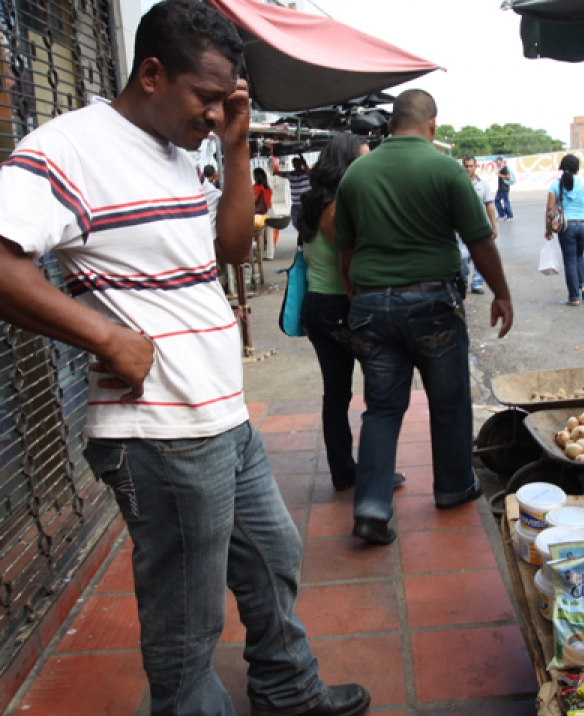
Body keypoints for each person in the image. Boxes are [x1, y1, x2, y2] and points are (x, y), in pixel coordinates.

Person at [0, 2, 369, 715]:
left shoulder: (179, 149)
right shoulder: (69, 148)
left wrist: (232, 147)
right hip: (159, 437)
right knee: (186, 625)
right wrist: (106, 338)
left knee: (273, 558)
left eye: (225, 100)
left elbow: (229, 249)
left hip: (219, 418)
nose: (212, 113)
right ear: (151, 72)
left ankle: (288, 692)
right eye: (205, 97)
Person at [333, 89, 513, 546]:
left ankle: (372, 506)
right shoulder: (446, 168)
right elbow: (481, 241)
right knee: (449, 401)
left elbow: (345, 248)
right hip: (433, 306)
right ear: (431, 125)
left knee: (383, 408)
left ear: (392, 124)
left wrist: (357, 292)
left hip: (371, 308)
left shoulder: (357, 173)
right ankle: (453, 487)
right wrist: (501, 294)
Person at [298, 135, 406, 494]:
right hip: (338, 308)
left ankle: (346, 472)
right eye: (362, 160)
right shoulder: (333, 209)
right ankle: (368, 474)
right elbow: (356, 259)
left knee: (338, 394)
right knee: (381, 393)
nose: (368, 166)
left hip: (320, 307)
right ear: (346, 165)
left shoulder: (318, 203)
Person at [544, 154, 584, 306]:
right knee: (579, 256)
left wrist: (548, 228)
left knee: (570, 260)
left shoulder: (555, 185)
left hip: (566, 227)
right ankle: (583, 285)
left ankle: (574, 297)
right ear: (577, 168)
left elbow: (550, 208)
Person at [458, 155, 498, 295]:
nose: (469, 169)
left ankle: (477, 284)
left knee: (481, 257)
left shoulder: (483, 185)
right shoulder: (458, 183)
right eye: (466, 166)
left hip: (481, 227)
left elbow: (489, 205)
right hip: (462, 227)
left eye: (471, 166)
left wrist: (494, 225)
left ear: (476, 167)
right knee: (463, 257)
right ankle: (462, 281)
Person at [277, 155, 311, 231]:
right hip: (295, 204)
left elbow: (308, 170)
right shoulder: (291, 174)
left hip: (305, 203)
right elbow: (280, 174)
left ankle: (305, 235)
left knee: (308, 222)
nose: (295, 166)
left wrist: (302, 157)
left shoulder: (307, 173)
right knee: (295, 222)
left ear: (300, 164)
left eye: (297, 163)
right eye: (294, 164)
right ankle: (302, 232)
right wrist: (274, 167)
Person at [253, 166, 278, 259]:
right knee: (270, 234)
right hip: (270, 210)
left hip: (261, 213)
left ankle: (261, 254)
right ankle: (270, 255)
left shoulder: (256, 187)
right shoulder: (268, 188)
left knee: (260, 234)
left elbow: (254, 199)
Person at [494, 155, 514, 221]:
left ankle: (510, 216)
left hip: (504, 188)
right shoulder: (500, 169)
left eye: (497, 161)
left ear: (501, 162)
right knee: (496, 201)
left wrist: (499, 174)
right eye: (496, 162)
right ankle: (502, 215)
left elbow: (508, 177)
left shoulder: (504, 168)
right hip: (500, 189)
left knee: (506, 202)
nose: (496, 163)